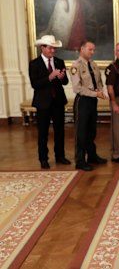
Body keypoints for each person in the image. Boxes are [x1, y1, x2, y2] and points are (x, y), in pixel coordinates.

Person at [29, 35, 70, 169]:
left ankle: (60, 156)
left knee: (59, 131)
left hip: (57, 101)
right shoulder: (34, 64)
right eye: (50, 48)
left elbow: (65, 82)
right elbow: (35, 84)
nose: (53, 50)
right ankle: (43, 159)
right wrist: (50, 77)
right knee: (43, 132)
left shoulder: (59, 62)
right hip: (43, 103)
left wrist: (62, 77)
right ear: (43, 48)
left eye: (54, 48)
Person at [70, 40, 108, 171]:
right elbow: (77, 88)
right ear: (82, 49)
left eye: (93, 50)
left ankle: (92, 156)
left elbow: (98, 81)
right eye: (90, 49)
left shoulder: (93, 64)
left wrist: (100, 91)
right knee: (81, 132)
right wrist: (94, 94)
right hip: (83, 101)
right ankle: (80, 160)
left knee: (92, 131)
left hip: (93, 101)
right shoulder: (76, 66)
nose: (92, 52)